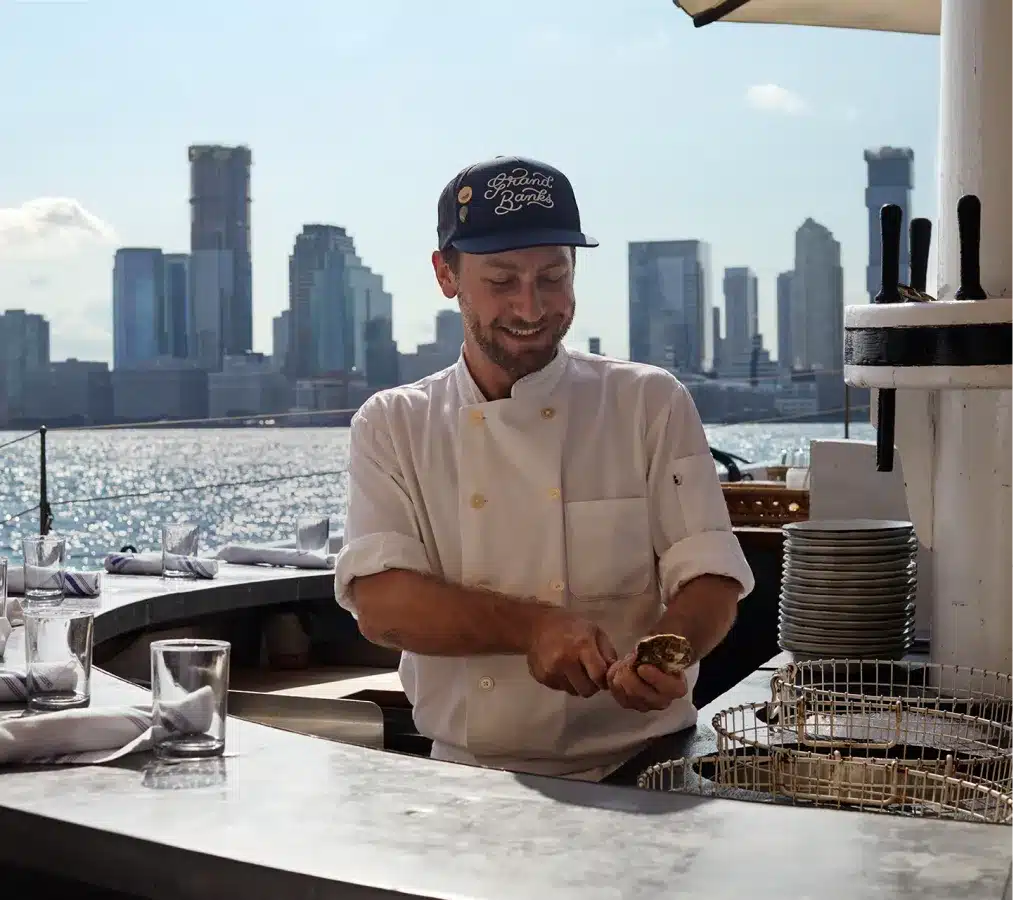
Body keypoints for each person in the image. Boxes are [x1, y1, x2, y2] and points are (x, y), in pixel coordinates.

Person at [334, 155, 754, 784]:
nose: (531, 306)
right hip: (468, 780)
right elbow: (383, 605)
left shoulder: (648, 401)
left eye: (553, 278)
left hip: (647, 768)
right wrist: (535, 627)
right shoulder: (393, 423)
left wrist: (670, 649)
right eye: (502, 281)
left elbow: (712, 576)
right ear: (446, 274)